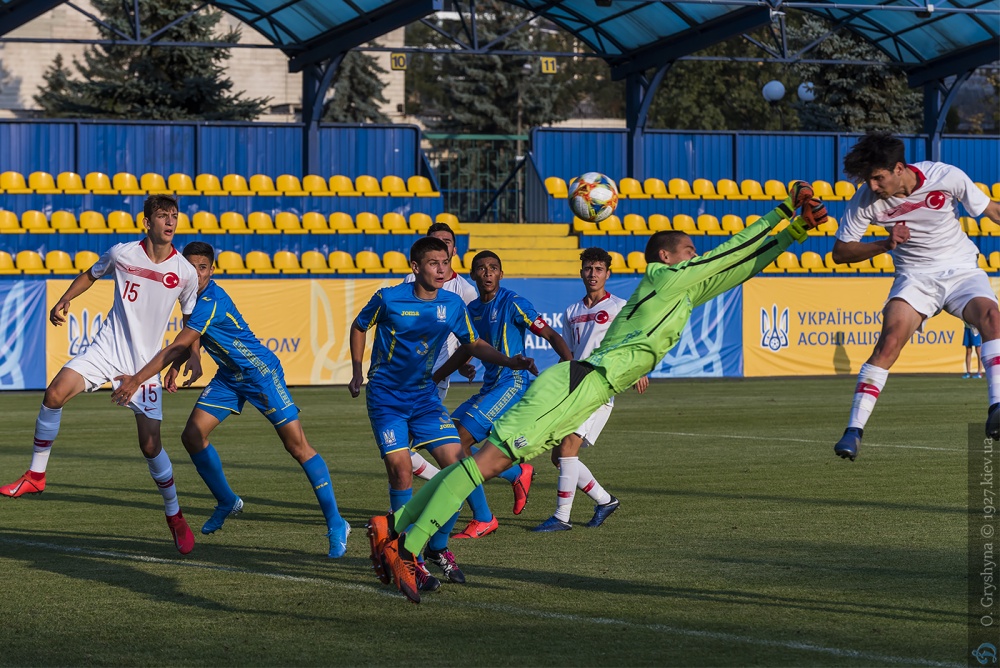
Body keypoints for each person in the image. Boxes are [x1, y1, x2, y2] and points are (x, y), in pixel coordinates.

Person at [367, 182, 825, 602]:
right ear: (666, 257)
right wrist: (783, 210)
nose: (695, 255)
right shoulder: (666, 278)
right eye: (689, 250)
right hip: (579, 384)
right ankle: (407, 547)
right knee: (482, 465)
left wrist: (797, 231)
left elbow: (737, 270)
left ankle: (393, 527)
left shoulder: (679, 293)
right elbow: (727, 255)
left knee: (481, 465)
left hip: (580, 391)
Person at [109, 241, 351, 558]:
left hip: (260, 374)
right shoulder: (189, 295)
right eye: (191, 267)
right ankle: (227, 500)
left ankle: (337, 522)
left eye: (203, 268)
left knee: (297, 446)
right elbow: (190, 339)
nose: (196, 274)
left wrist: (138, 379)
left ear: (212, 270)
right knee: (192, 436)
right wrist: (184, 363)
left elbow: (180, 343)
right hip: (229, 376)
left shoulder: (211, 300)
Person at [0, 195, 200, 554]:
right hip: (105, 350)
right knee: (54, 394)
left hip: (145, 365)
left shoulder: (184, 272)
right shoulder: (122, 253)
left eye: (174, 216)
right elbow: (90, 274)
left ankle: (174, 514)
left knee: (150, 446)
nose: (170, 222)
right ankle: (36, 475)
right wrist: (65, 299)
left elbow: (190, 325)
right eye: (162, 216)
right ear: (147, 222)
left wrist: (190, 358)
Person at [350, 236, 536, 592]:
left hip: (423, 397)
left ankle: (436, 547)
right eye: (433, 263)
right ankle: (406, 555)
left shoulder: (452, 304)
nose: (441, 269)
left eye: (445, 263)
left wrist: (509, 361)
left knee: (459, 470)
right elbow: (359, 326)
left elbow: (473, 343)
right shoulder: (389, 298)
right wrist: (358, 371)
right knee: (401, 471)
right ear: (415, 267)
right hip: (387, 397)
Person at [831, 132, 1000, 461]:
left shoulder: (945, 176)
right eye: (869, 179)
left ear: (898, 168)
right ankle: (853, 431)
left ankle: (997, 408)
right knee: (890, 341)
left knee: (993, 317)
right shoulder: (866, 199)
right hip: (914, 277)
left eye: (878, 178)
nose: (873, 186)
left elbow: (992, 210)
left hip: (961, 270)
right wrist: (885, 243)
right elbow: (840, 252)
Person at [433, 250, 572, 539]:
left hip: (512, 384)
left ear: (501, 274)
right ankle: (515, 474)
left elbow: (550, 335)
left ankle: (483, 517)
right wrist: (436, 377)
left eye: (493, 268)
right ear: (473, 275)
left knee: (460, 440)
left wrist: (569, 369)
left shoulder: (513, 302)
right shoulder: (472, 310)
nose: (487, 273)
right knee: (447, 440)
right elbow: (467, 349)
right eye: (482, 268)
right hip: (490, 386)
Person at [532, 247, 648, 533]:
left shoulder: (619, 307)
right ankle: (605, 501)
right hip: (574, 386)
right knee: (559, 457)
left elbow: (635, 340)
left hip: (599, 386)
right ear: (581, 272)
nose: (593, 274)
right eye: (588, 268)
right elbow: (568, 353)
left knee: (567, 449)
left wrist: (640, 369)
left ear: (608, 274)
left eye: (598, 269)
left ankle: (561, 517)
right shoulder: (572, 311)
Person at [403, 222, 478, 482]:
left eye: (446, 241)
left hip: (435, 374)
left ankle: (447, 485)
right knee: (416, 443)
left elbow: (471, 335)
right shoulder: (410, 280)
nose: (441, 245)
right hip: (407, 371)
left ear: (454, 250)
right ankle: (510, 472)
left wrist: (463, 362)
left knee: (401, 445)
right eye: (435, 241)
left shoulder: (465, 290)